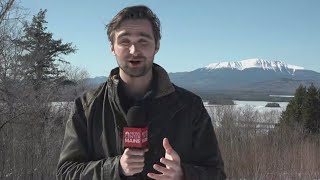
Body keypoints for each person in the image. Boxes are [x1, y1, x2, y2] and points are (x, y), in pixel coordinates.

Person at [56, 5, 225, 180]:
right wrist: (116, 168)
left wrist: (183, 174)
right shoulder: (87, 107)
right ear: (112, 47)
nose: (134, 51)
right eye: (124, 41)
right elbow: (66, 173)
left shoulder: (190, 107)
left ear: (156, 46)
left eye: (143, 41)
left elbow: (217, 174)